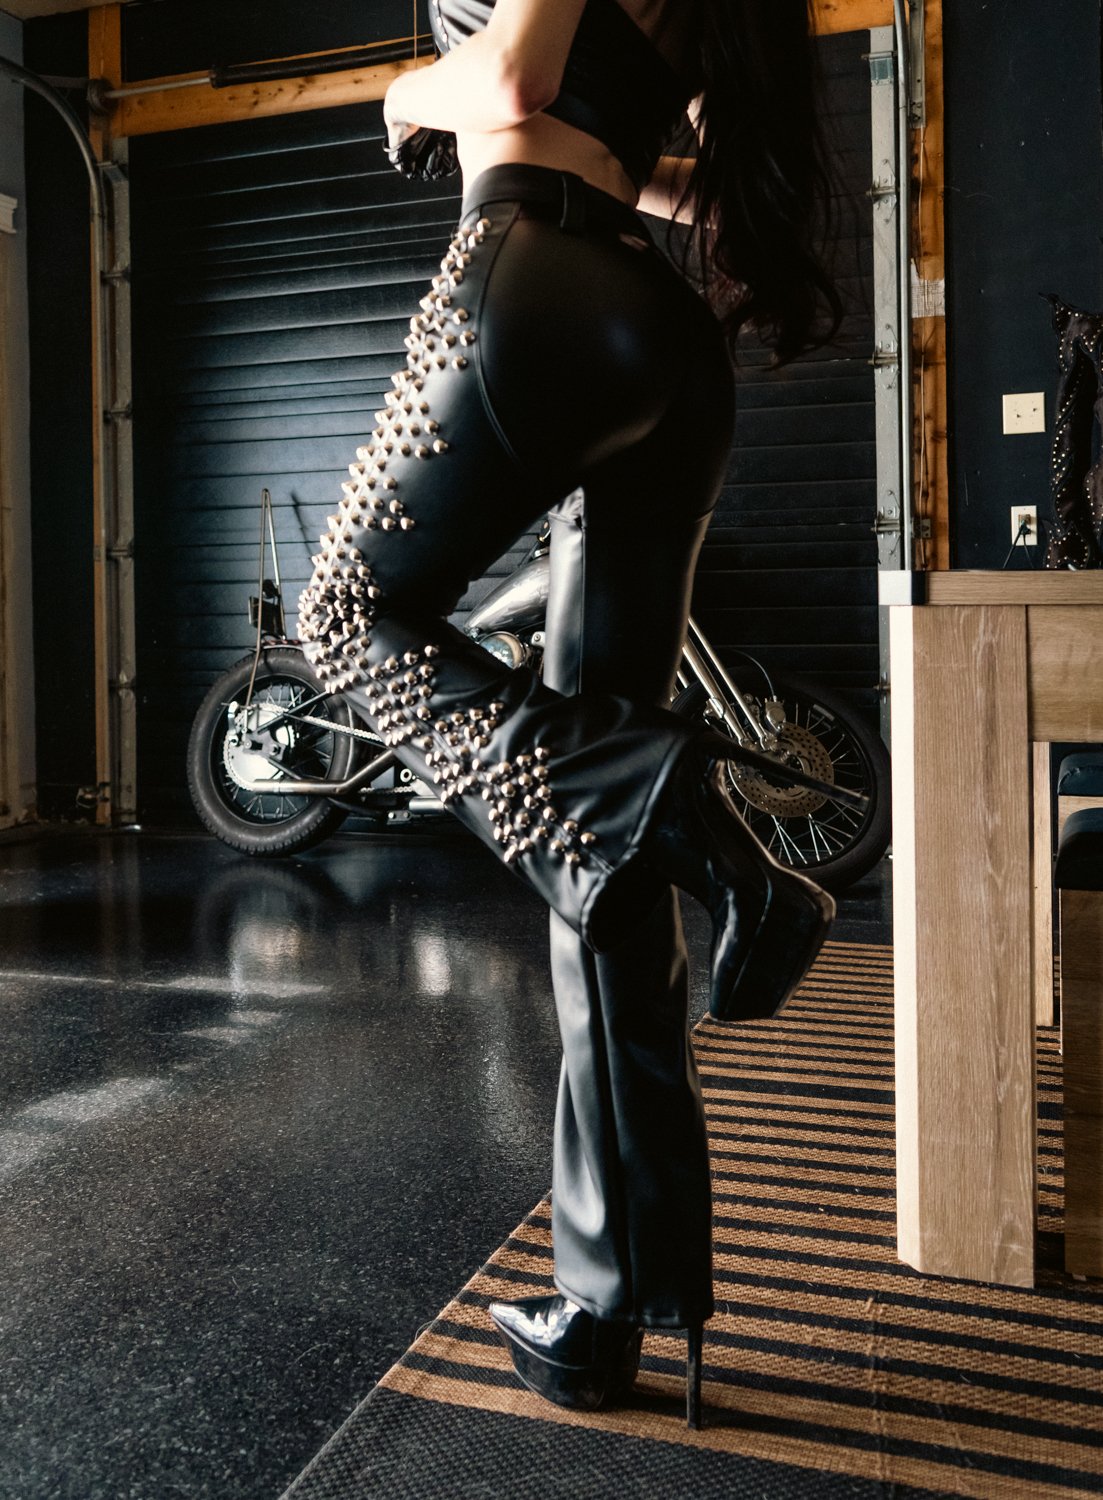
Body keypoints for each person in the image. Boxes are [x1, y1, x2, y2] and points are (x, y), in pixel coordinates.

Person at [298, 0, 843, 1429]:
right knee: (589, 843)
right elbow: (681, 176)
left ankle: (689, 809)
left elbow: (514, 76)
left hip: (529, 280)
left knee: (340, 620)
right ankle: (615, 1307)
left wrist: (407, 94)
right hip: (661, 340)